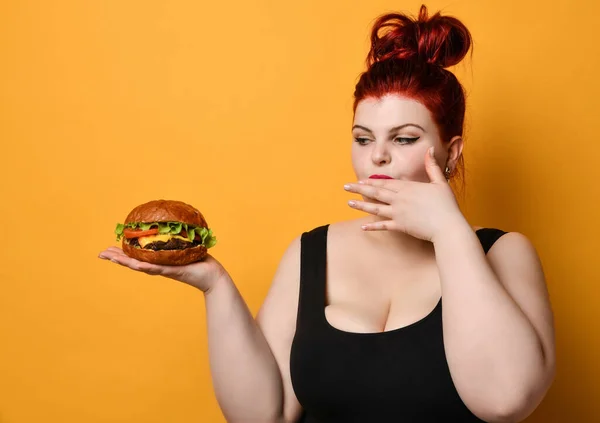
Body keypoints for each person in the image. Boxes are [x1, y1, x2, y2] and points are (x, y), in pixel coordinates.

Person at [98, 4, 556, 422]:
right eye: (362, 138)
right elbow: (264, 415)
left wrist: (450, 233)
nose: (377, 157)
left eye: (404, 138)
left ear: (450, 152)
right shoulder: (309, 251)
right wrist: (215, 284)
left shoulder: (503, 252)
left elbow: (505, 400)